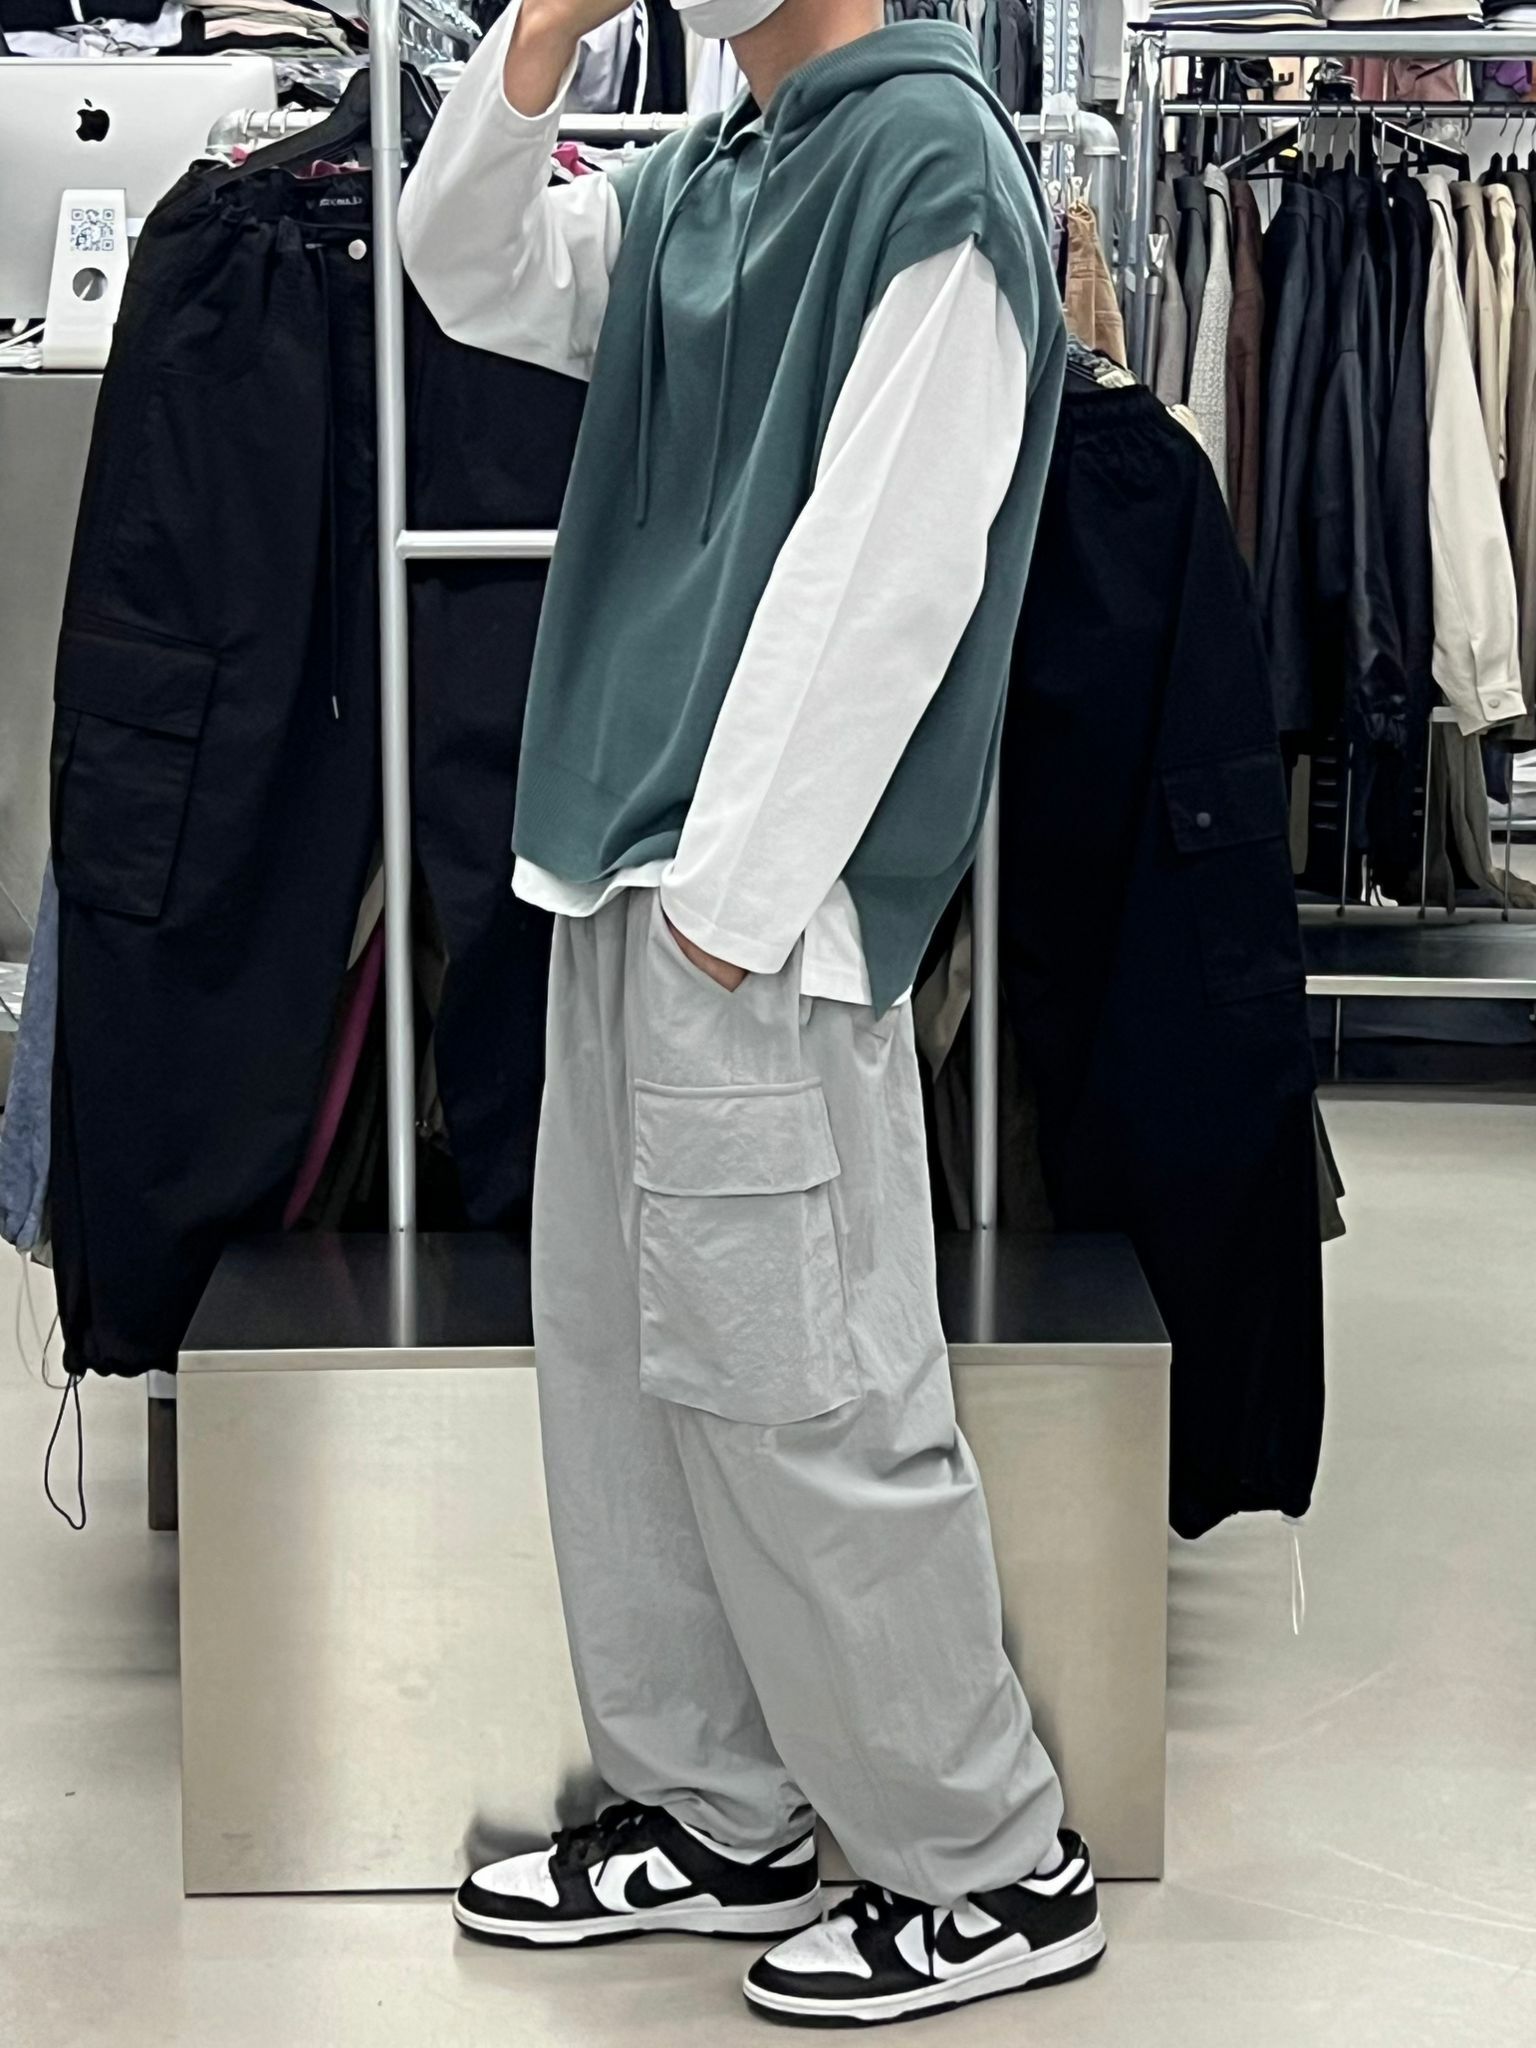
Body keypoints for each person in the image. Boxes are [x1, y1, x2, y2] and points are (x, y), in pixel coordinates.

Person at [401, 0, 1102, 2024]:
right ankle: (716, 1810)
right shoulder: (710, 169)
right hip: (616, 865)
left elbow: (893, 570)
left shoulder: (931, 163)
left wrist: (731, 914)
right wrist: (539, 38)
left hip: (754, 908)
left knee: (806, 1396)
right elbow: (467, 267)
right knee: (627, 1381)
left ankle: (988, 1861)